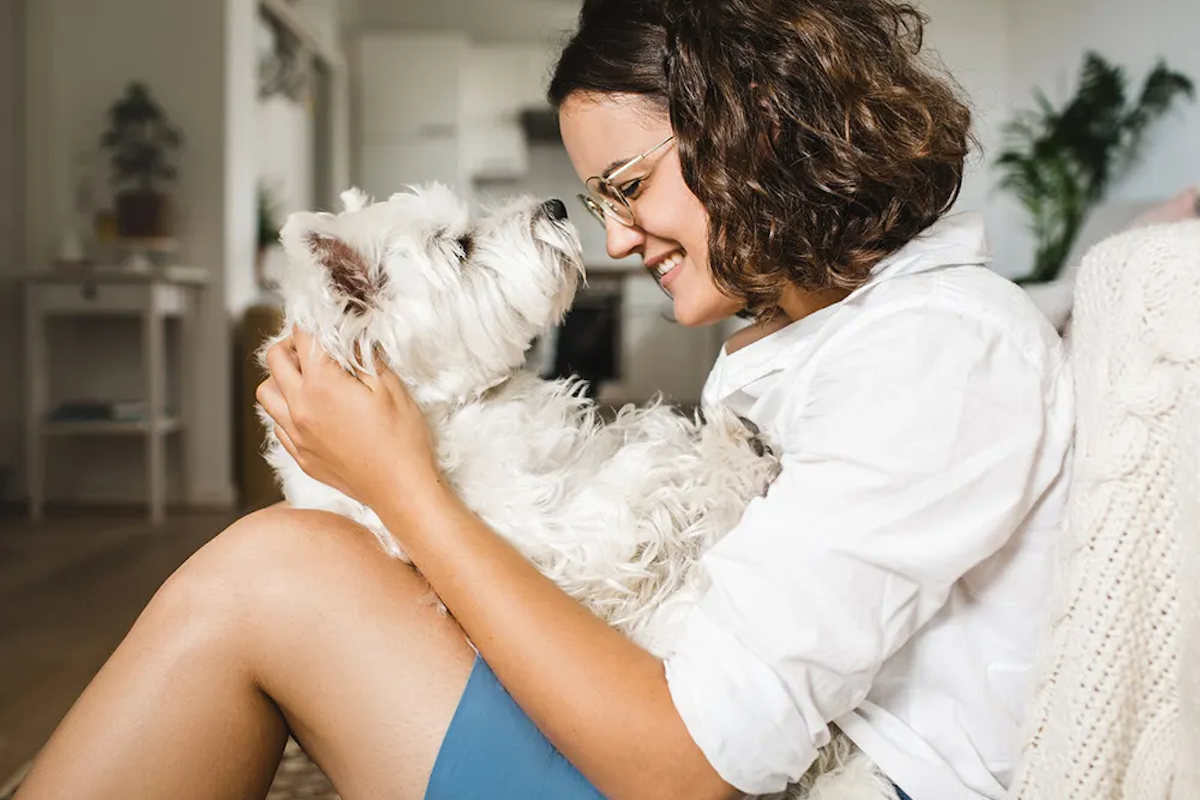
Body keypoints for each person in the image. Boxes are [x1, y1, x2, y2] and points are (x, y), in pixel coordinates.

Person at [12, 1, 1073, 799]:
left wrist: (404, 485)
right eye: (600, 199)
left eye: (629, 184)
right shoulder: (832, 333)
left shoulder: (938, 349)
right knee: (282, 566)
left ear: (754, 121)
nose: (613, 238)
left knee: (270, 570)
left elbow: (691, 758)